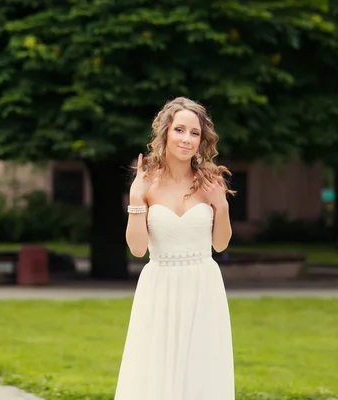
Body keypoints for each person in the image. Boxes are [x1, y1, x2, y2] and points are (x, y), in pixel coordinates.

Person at [114, 97, 236, 400]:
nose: (186, 139)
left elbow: (220, 244)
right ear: (166, 132)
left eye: (194, 133)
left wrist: (220, 204)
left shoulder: (210, 182)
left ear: (202, 139)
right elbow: (138, 250)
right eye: (180, 129)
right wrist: (135, 199)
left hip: (204, 284)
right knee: (156, 369)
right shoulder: (146, 183)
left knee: (202, 369)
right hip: (160, 286)